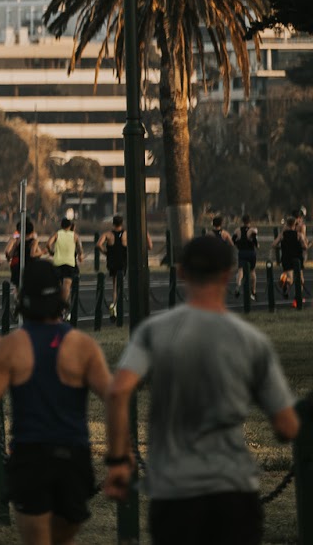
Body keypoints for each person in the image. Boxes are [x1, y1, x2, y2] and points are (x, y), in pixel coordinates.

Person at [104, 235, 301, 545]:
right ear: (227, 274)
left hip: (174, 491)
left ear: (181, 272)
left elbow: (117, 392)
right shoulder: (251, 341)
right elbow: (286, 425)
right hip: (234, 490)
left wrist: (117, 461)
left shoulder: (154, 331)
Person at [0, 259, 112, 545]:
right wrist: (119, 458)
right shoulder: (84, 346)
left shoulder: (9, 347)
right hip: (73, 458)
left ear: (21, 297)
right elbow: (115, 397)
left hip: (30, 456)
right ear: (61, 295)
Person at [49, 217, 83, 306]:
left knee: (58, 286)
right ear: (70, 225)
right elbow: (79, 248)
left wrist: (51, 252)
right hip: (69, 263)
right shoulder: (74, 235)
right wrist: (80, 255)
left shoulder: (57, 234)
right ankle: (64, 306)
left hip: (57, 262)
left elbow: (48, 244)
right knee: (67, 287)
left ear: (61, 225)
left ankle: (57, 304)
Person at [274, 216, 306, 306]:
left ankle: (283, 280)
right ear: (295, 225)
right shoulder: (299, 235)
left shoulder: (282, 234)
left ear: (287, 224)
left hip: (286, 258)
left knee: (290, 279)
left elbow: (274, 244)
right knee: (300, 280)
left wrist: (281, 246)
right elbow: (305, 247)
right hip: (297, 259)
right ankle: (297, 300)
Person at [234, 215, 259, 302]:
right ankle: (253, 291)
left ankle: (238, 285)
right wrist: (257, 246)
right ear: (250, 222)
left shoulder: (237, 230)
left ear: (242, 221)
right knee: (252, 271)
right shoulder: (252, 230)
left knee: (240, 270)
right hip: (251, 253)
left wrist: (238, 245)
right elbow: (255, 241)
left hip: (242, 252)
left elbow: (234, 240)